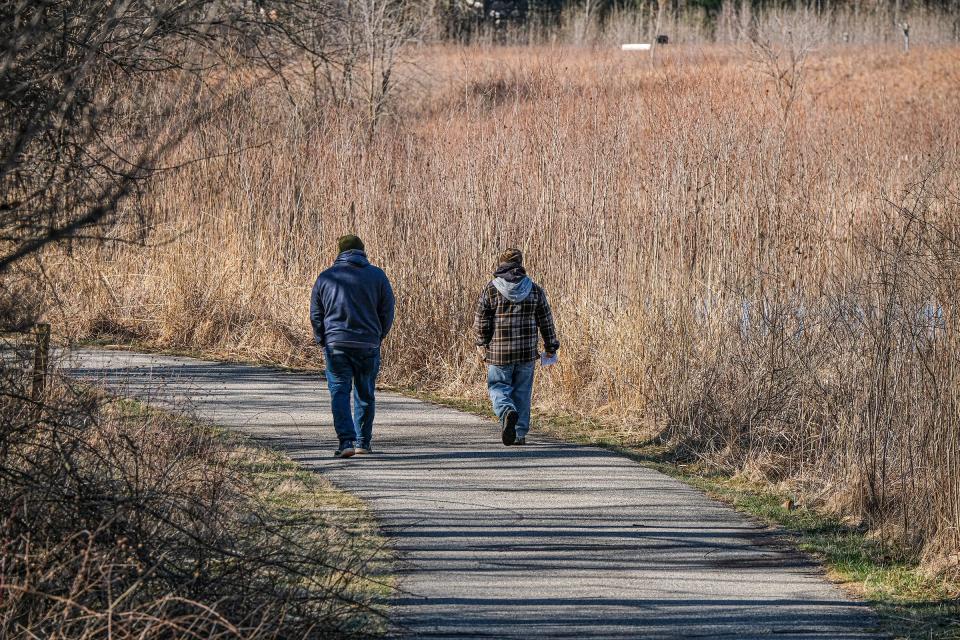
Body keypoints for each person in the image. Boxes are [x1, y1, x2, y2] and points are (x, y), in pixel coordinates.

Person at [311, 234, 395, 458]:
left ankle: (345, 442)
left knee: (339, 392)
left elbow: (316, 314)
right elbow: (388, 310)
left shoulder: (327, 277)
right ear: (362, 251)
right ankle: (362, 442)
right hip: (368, 343)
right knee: (365, 393)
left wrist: (323, 339)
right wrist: (379, 335)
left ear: (339, 252)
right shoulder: (377, 276)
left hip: (336, 343)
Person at [474, 248, 559, 446]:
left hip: (499, 352)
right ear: (520, 264)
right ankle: (519, 433)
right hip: (526, 352)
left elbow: (481, 321)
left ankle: (506, 411)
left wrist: (481, 342)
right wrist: (550, 345)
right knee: (522, 392)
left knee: (498, 387)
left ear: (501, 264)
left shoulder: (491, 289)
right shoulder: (534, 289)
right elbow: (546, 320)